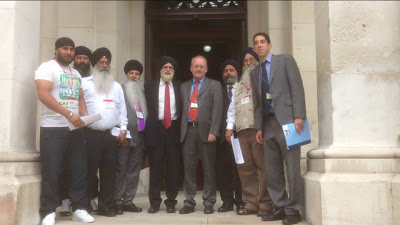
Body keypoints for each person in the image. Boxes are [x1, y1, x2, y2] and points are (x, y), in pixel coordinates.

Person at [35, 37, 94, 225]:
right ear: (57, 50)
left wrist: (84, 116)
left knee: (79, 169)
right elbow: (43, 95)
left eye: (71, 49)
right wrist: (69, 114)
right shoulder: (46, 68)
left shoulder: (76, 74)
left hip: (75, 129)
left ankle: (80, 208)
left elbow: (80, 98)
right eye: (65, 49)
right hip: (52, 128)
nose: (69, 52)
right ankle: (48, 211)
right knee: (51, 170)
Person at [250, 32, 306, 224]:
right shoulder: (254, 72)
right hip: (268, 124)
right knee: (272, 170)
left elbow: (297, 87)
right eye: (256, 43)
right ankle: (280, 206)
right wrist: (258, 128)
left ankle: (294, 209)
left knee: (292, 168)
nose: (259, 46)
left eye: (262, 42)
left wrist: (299, 115)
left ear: (270, 45)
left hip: (290, 122)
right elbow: (257, 103)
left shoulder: (285, 61)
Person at [225, 47, 273, 217]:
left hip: (257, 130)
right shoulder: (238, 86)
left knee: (263, 167)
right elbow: (232, 109)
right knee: (245, 170)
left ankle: (265, 204)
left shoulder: (263, 80)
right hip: (241, 132)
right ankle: (250, 203)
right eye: (245, 61)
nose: (248, 63)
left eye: (251, 60)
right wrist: (229, 128)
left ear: (257, 61)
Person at [82, 47, 128, 217]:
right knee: (89, 172)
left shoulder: (116, 87)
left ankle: (106, 206)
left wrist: (123, 130)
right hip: (90, 134)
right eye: (101, 62)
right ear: (95, 64)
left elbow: (122, 110)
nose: (104, 65)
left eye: (107, 63)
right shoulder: (84, 83)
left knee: (109, 172)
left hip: (111, 135)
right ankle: (84, 205)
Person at [179, 55, 223, 215]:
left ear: (206, 69)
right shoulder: (183, 87)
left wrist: (214, 131)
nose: (198, 69)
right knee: (189, 168)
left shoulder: (215, 85)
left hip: (207, 132)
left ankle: (209, 201)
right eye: (195, 66)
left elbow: (218, 110)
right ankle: (189, 202)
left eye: (201, 66)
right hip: (188, 131)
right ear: (191, 68)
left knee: (208, 168)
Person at [59, 45, 95, 217]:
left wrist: (87, 117)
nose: (82, 61)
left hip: (86, 126)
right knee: (66, 165)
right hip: (66, 125)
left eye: (85, 58)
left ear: (89, 61)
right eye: (79, 57)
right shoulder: (69, 75)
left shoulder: (96, 80)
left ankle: (87, 198)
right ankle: (65, 199)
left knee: (85, 166)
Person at [145, 56, 182, 214]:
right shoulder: (150, 86)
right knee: (156, 168)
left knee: (173, 167)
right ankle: (154, 202)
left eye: (170, 68)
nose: (168, 70)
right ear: (160, 70)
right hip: (156, 129)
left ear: (174, 71)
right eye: (165, 67)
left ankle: (171, 202)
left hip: (173, 130)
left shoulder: (181, 87)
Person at [114, 60, 146, 215]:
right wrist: (121, 131)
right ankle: (117, 200)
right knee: (121, 169)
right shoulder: (119, 89)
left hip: (139, 138)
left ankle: (128, 201)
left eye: (137, 74)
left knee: (134, 170)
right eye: (131, 73)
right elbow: (116, 113)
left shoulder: (142, 92)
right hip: (124, 137)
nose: (134, 76)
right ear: (126, 74)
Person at [216, 59, 244, 213]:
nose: (228, 73)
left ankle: (241, 201)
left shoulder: (243, 89)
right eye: (226, 71)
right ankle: (227, 201)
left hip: (240, 136)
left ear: (237, 72)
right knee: (223, 171)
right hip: (221, 138)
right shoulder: (217, 90)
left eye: (231, 70)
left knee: (240, 170)